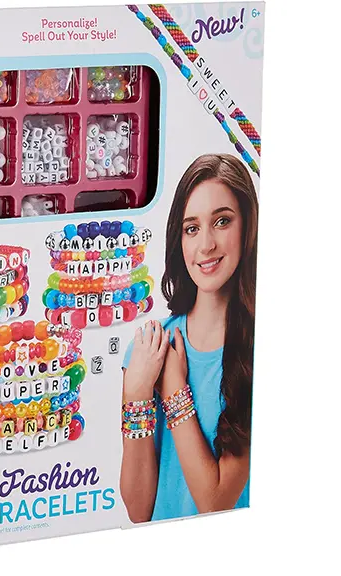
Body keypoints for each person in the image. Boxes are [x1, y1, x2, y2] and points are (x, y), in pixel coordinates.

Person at [119, 154, 258, 523]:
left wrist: (174, 389)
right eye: (191, 228)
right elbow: (138, 509)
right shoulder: (148, 349)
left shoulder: (255, 353)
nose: (206, 245)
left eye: (222, 221)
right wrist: (136, 392)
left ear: (248, 226)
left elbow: (215, 503)